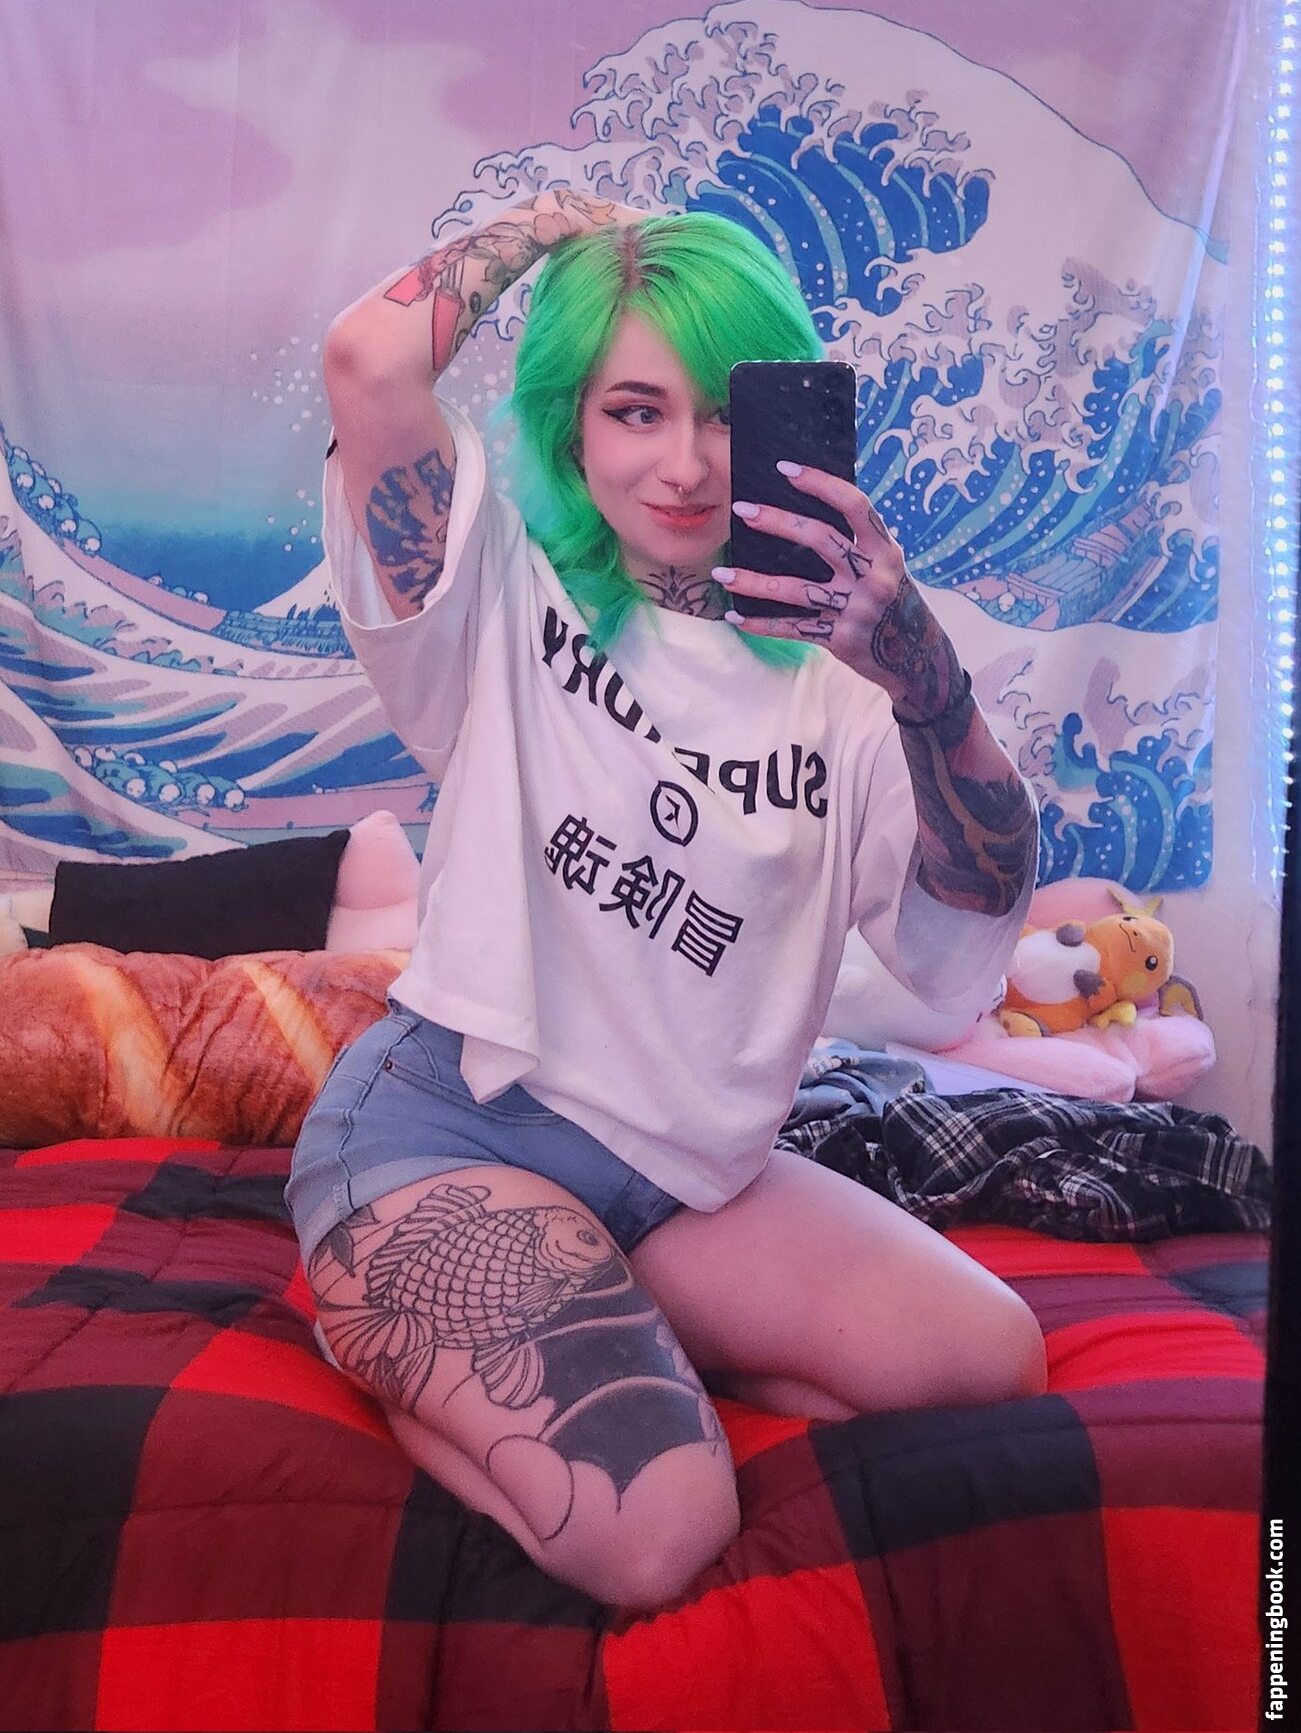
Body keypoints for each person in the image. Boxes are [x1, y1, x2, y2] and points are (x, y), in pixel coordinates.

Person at [286, 189, 1046, 1611]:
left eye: (723, 414)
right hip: (449, 1131)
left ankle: (616, 1315)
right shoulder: (496, 595)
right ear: (573, 425)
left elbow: (965, 929)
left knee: (990, 1358)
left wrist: (926, 681)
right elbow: (366, 363)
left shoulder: (852, 684)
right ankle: (395, 1355)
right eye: (636, 410)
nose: (687, 465)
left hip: (685, 1182)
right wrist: (549, 226)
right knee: (656, 1532)